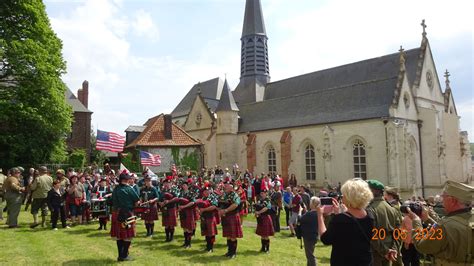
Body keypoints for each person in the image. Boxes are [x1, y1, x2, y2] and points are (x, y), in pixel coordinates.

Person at [408, 180, 473, 265]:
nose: (441, 201)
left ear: (452, 201)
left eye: (443, 197)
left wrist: (416, 222)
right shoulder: (451, 223)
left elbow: (422, 246)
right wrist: (428, 219)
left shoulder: (444, 226)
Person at [318, 178, 374, 266]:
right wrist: (339, 214)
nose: (342, 197)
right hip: (365, 261)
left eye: (343, 195)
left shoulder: (340, 220)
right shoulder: (370, 216)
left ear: (349, 198)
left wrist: (320, 216)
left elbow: (325, 239)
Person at [366, 179, 402, 266]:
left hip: (376, 251)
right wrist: (393, 249)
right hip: (389, 249)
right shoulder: (392, 208)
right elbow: (398, 232)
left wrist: (385, 251)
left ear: (372, 191)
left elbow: (372, 234)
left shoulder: (370, 209)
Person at [111, 171, 140, 261]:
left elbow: (113, 200)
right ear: (126, 180)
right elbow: (137, 201)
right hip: (127, 213)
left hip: (116, 213)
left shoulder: (115, 189)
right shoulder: (129, 189)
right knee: (128, 235)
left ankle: (120, 255)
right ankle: (124, 256)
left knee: (119, 235)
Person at [218, 180, 243, 259]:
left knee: (233, 235)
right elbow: (220, 202)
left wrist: (225, 210)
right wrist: (220, 210)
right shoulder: (224, 194)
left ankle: (233, 253)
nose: (225, 186)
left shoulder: (235, 195)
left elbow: (235, 204)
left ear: (231, 187)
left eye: (227, 185)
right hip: (226, 216)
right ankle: (229, 251)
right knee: (228, 235)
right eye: (225, 185)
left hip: (232, 216)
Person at [197, 185, 219, 252]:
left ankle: (211, 248)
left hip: (210, 217)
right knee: (206, 233)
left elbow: (214, 206)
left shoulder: (212, 197)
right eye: (205, 191)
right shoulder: (202, 198)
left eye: (208, 190)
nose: (206, 192)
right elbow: (197, 206)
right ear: (203, 192)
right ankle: (207, 246)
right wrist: (199, 211)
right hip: (204, 217)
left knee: (211, 233)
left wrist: (204, 210)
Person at [300, 196, 320, 266]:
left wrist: (300, 211)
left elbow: (300, 219)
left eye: (311, 202)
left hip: (308, 236)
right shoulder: (318, 213)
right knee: (310, 253)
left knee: (310, 255)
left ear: (313, 204)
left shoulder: (310, 214)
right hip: (314, 235)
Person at [160, 177, 180, 242]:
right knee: (166, 224)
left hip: (171, 208)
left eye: (168, 183)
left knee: (171, 224)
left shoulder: (174, 190)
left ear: (171, 183)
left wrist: (169, 201)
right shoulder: (162, 191)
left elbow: (177, 198)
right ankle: (167, 237)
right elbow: (159, 199)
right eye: (165, 183)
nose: (167, 184)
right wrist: (161, 203)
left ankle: (171, 237)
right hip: (165, 209)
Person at [178, 181, 197, 248]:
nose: (184, 186)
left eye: (185, 185)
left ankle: (189, 244)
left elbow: (193, 202)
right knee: (184, 228)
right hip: (182, 212)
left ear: (187, 186)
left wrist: (184, 206)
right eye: (183, 185)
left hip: (188, 211)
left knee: (189, 228)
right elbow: (179, 201)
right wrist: (179, 207)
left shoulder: (191, 193)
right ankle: (185, 242)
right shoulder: (181, 193)